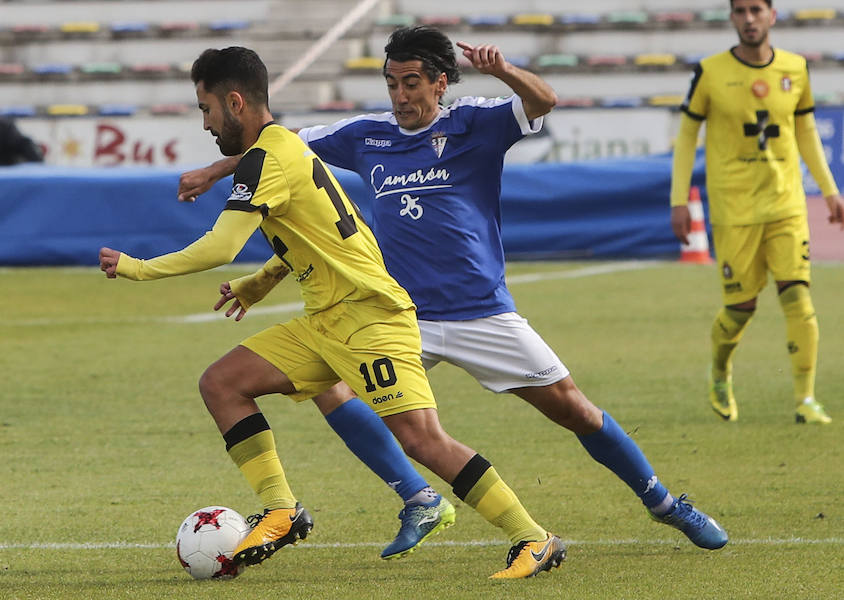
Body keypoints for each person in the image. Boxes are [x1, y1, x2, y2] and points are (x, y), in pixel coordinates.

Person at [180, 25, 729, 563]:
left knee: (576, 411)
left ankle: (663, 502)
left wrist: (505, 71)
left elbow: (545, 99)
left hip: (481, 312)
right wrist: (218, 168)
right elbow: (281, 149)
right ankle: (417, 497)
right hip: (399, 316)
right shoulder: (365, 134)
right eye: (393, 83)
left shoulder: (477, 123)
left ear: (442, 84)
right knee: (331, 389)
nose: (400, 97)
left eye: (412, 83)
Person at [102, 45, 566, 580]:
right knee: (223, 383)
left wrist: (136, 268)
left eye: (206, 110)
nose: (205, 124)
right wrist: (260, 282)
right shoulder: (281, 152)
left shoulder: (268, 158)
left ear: (234, 102)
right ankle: (281, 509)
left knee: (422, 440)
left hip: (370, 318)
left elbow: (219, 247)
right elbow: (316, 233)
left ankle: (533, 538)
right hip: (326, 318)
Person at [670, 0, 842, 424]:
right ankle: (720, 370)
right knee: (740, 307)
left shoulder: (795, 68)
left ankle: (805, 399)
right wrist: (678, 199)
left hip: (786, 203)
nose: (749, 19)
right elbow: (687, 135)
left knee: (798, 295)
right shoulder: (709, 72)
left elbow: (804, 131)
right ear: (732, 18)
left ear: (772, 15)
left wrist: (831, 190)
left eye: (756, 10)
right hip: (734, 207)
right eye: (741, 11)